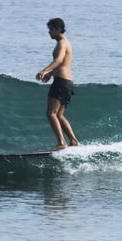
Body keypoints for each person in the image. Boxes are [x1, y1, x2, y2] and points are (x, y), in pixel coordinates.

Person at [35, 17, 80, 150]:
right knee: (59, 114)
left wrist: (44, 70)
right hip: (67, 82)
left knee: (51, 114)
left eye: (51, 30)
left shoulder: (62, 43)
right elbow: (63, 65)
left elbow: (59, 60)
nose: (49, 32)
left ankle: (62, 143)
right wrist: (50, 74)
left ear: (59, 29)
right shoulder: (65, 42)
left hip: (61, 83)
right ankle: (74, 141)